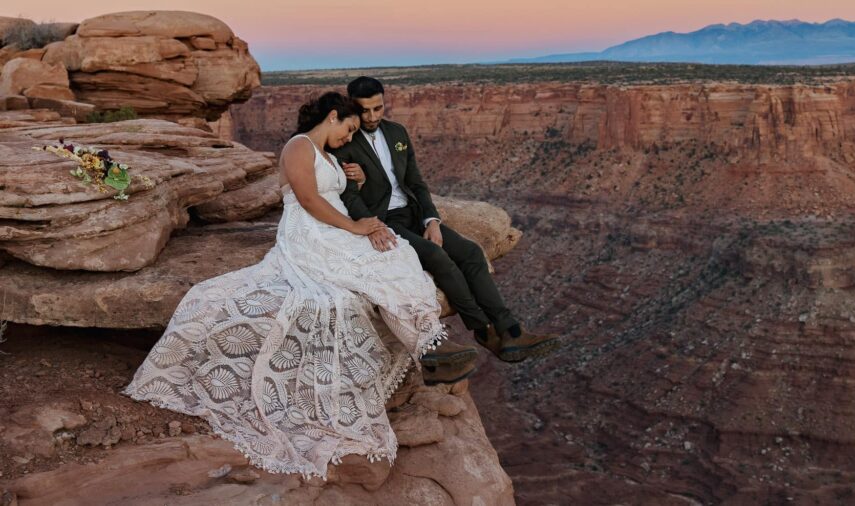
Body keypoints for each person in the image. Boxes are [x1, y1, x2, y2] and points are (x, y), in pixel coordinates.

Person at [123, 91, 472, 479]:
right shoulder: (298, 146)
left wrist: (355, 186)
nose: (349, 136)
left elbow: (341, 193)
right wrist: (355, 227)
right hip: (312, 231)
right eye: (349, 128)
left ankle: (429, 345)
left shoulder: (330, 155)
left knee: (398, 254)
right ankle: (429, 348)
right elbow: (307, 199)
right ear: (333, 116)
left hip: (336, 224)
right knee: (345, 285)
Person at [330, 76, 560, 364]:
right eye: (365, 110)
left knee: (472, 253)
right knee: (436, 256)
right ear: (353, 107)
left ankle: (511, 330)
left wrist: (432, 220)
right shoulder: (345, 142)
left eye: (378, 108)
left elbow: (415, 181)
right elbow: (350, 196)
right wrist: (371, 224)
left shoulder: (397, 133)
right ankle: (484, 330)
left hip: (413, 212)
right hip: (385, 219)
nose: (372, 116)